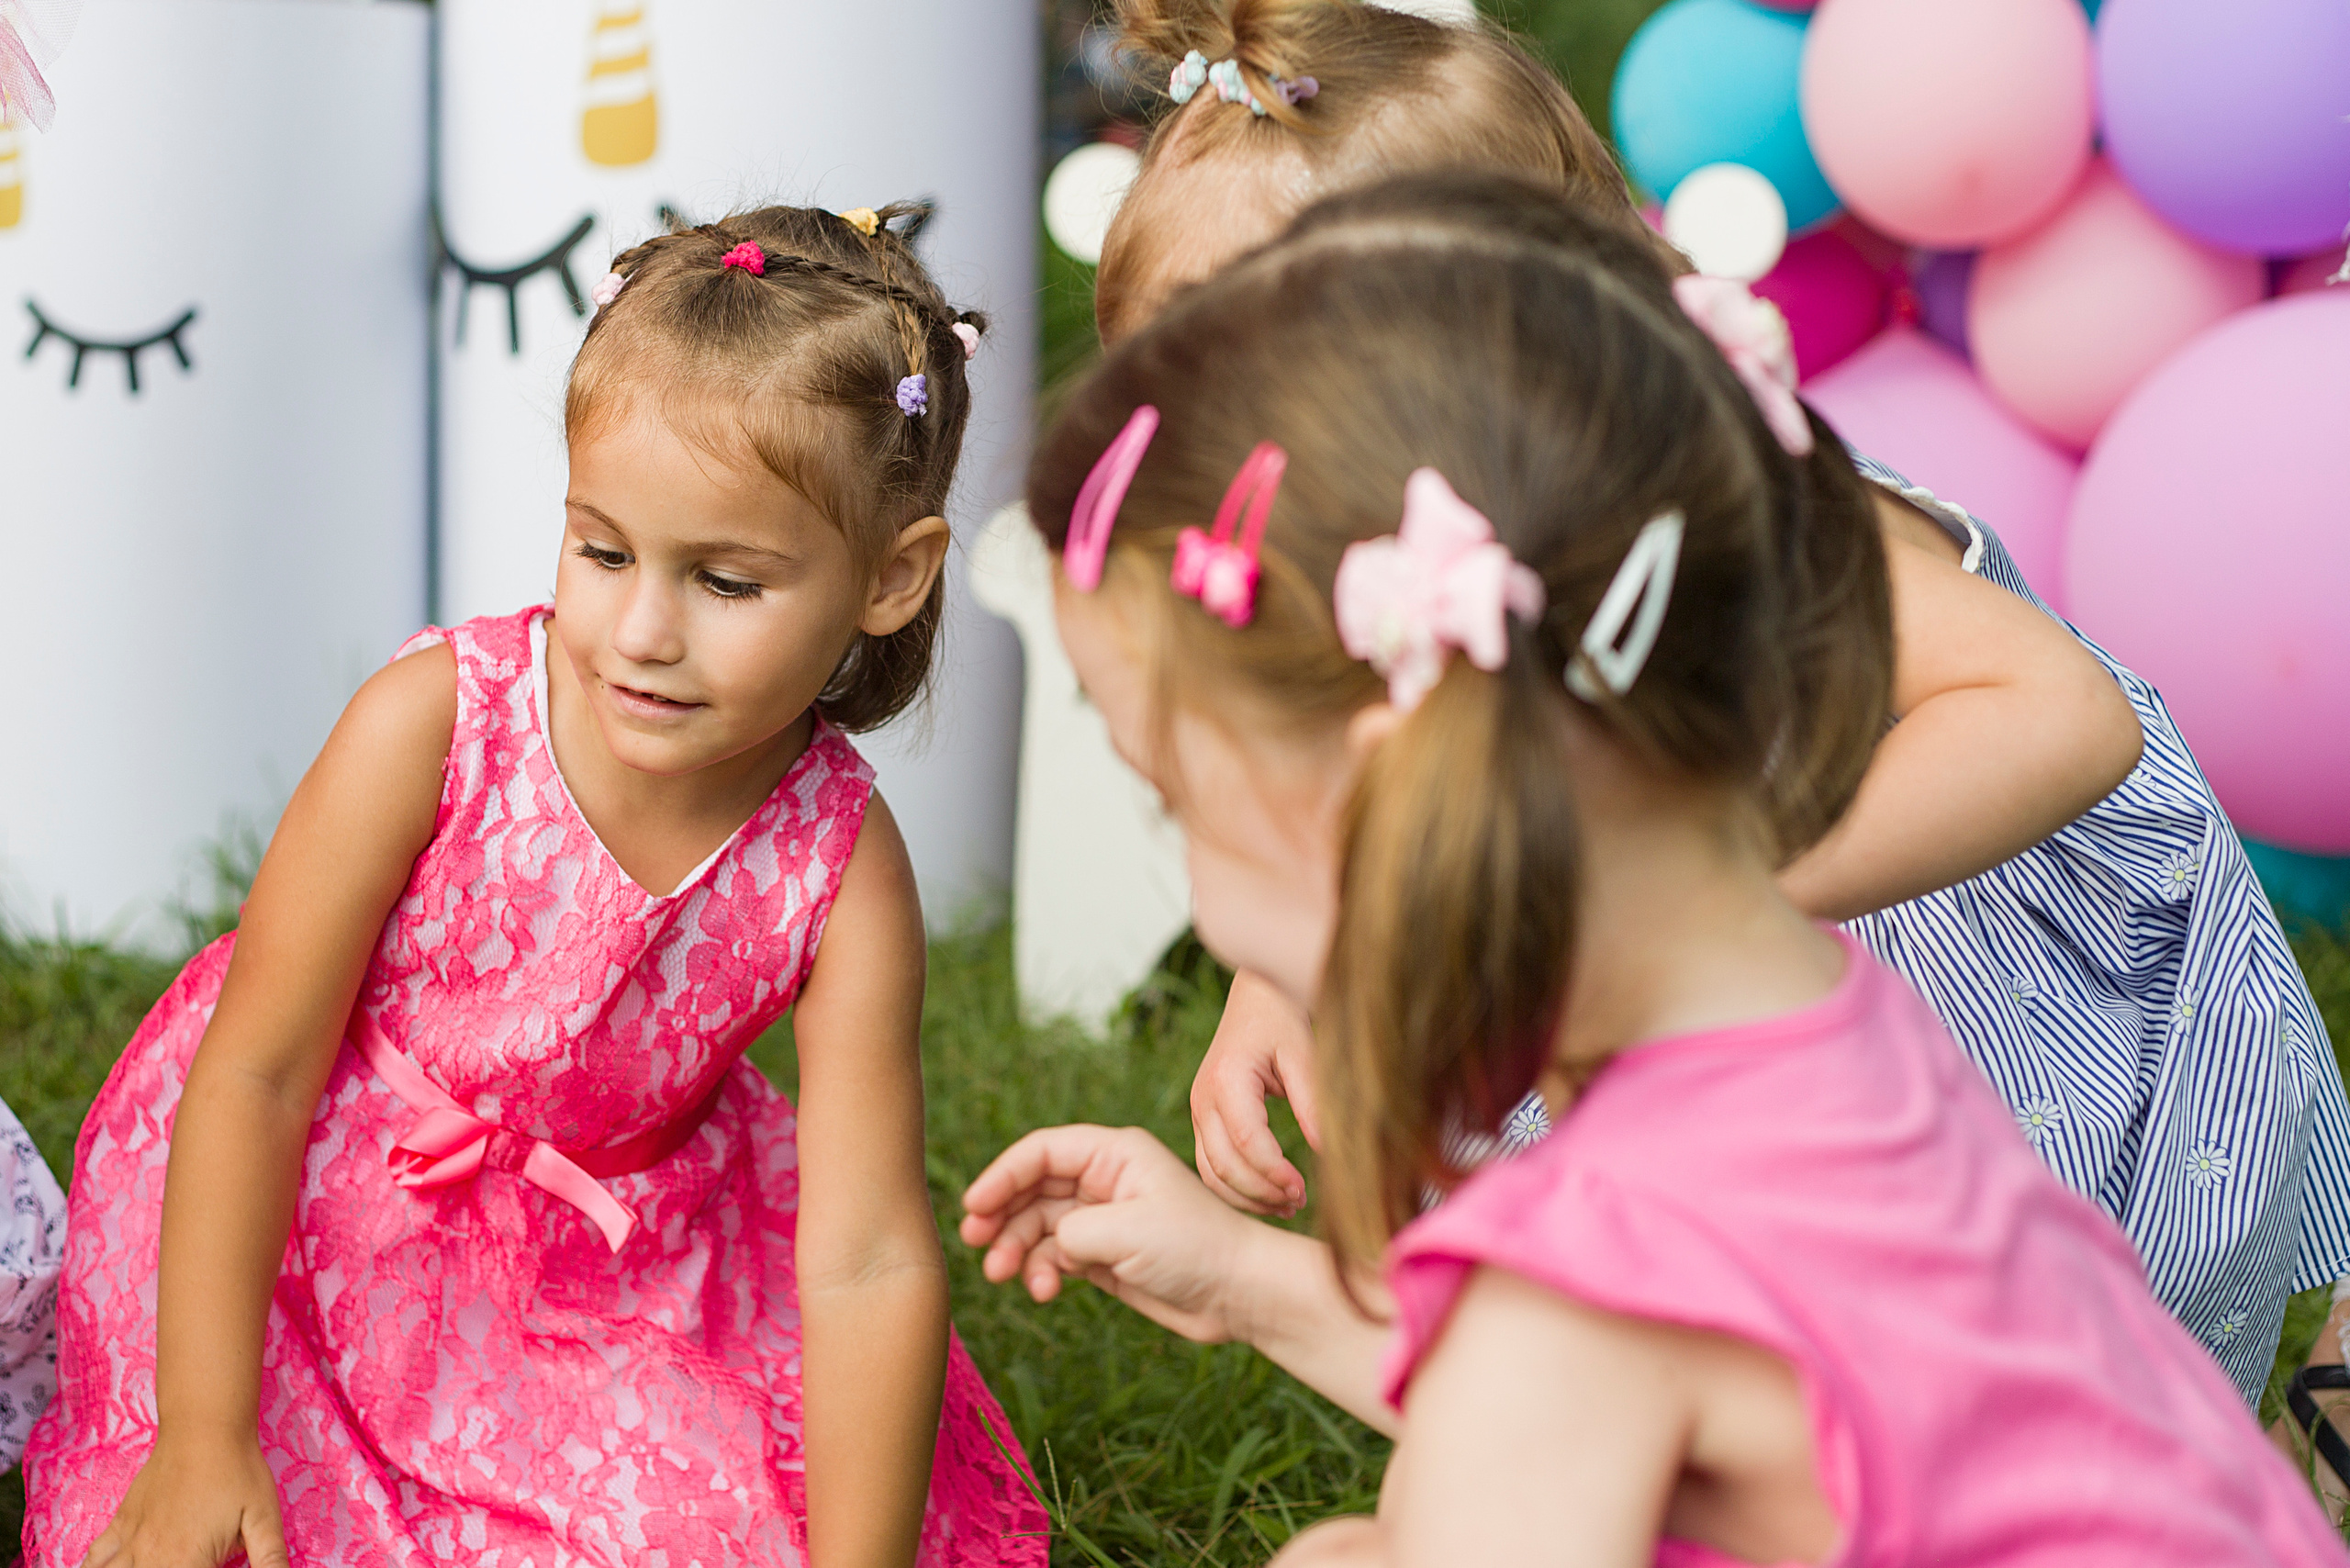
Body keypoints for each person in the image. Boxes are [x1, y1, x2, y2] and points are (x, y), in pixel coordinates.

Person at [963, 171, 2350, 1567]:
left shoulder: (1584, 1292)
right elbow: (1676, 1408)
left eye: (1173, 801)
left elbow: (1557, 1389)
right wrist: (1249, 1285)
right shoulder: (1814, 1020)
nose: (1192, 885)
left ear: (1388, 795)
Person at [24, 204, 1047, 1567]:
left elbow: (865, 1258)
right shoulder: (435, 723)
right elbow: (256, 1073)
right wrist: (204, 1431)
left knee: (721, 1526)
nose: (641, 632)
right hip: (300, 1223)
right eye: (603, 550)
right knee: (242, 1522)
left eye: (727, 582)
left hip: (610, 1265)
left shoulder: (839, 870)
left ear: (890, 579)